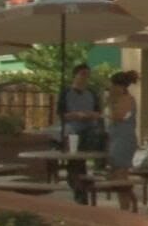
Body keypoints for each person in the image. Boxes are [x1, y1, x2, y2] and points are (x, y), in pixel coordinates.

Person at [57, 63, 101, 204]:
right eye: (82, 74)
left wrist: (90, 115)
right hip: (72, 131)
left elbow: (98, 112)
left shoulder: (92, 93)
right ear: (75, 75)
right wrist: (75, 115)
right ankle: (78, 189)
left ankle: (83, 188)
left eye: (87, 74)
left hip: (89, 131)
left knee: (84, 160)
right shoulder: (66, 93)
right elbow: (61, 114)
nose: (85, 77)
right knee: (75, 161)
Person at [105, 70, 139, 210]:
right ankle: (131, 199)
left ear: (120, 86)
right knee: (114, 175)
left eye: (112, 85)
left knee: (120, 174)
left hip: (124, 138)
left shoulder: (127, 99)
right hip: (114, 137)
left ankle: (124, 207)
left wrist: (111, 102)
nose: (111, 88)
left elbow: (118, 116)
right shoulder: (115, 99)